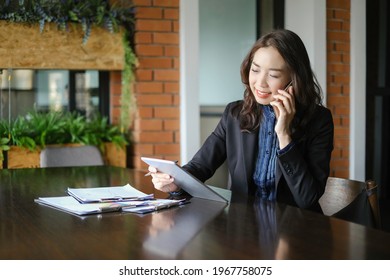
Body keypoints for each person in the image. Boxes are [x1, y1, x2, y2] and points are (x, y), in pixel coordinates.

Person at [147, 29, 334, 213]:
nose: (260, 82)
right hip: (244, 229)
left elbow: (307, 199)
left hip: (297, 231)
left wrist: (284, 134)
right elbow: (200, 167)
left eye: (274, 75)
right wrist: (175, 184)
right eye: (255, 70)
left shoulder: (319, 121)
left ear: (294, 79)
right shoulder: (235, 114)